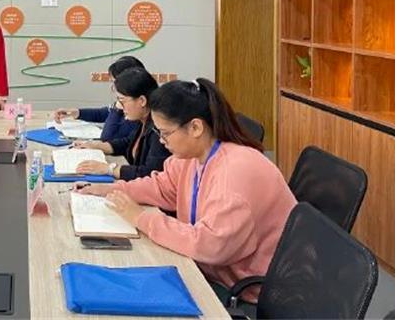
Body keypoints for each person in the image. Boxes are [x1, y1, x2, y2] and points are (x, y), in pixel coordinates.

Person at [81, 78, 296, 302]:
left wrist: (141, 218)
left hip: (242, 287)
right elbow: (163, 187)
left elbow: (209, 245)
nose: (161, 141)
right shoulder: (193, 156)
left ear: (195, 127)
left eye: (165, 133)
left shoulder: (234, 174)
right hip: (210, 268)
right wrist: (111, 189)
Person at [72, 67, 169, 179]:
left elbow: (149, 174)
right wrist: (97, 146)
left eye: (122, 101)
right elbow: (127, 143)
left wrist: (109, 169)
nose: (121, 107)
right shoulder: (143, 120)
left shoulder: (159, 130)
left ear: (142, 101)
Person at [51, 55, 145, 141]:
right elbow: (104, 113)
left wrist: (117, 108)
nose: (113, 88)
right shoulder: (131, 101)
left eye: (115, 83)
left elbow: (107, 138)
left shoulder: (136, 110)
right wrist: (77, 113)